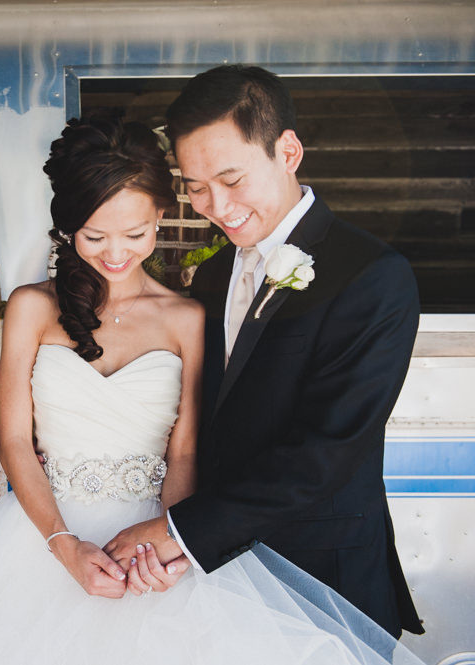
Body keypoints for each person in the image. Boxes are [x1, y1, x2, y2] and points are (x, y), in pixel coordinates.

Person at [0, 116, 423, 665]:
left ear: (160, 219)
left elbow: (185, 450)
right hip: (40, 535)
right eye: (93, 238)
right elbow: (12, 439)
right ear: (66, 230)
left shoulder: (190, 313)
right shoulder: (30, 308)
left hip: (156, 536)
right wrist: (64, 547)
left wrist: (168, 549)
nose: (116, 254)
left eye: (135, 233)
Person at [102, 65, 425, 641]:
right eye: (196, 187)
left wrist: (180, 532)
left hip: (322, 579)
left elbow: (326, 449)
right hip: (214, 574)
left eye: (231, 179)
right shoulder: (212, 273)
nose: (215, 206)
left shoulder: (373, 276)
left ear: (288, 151)